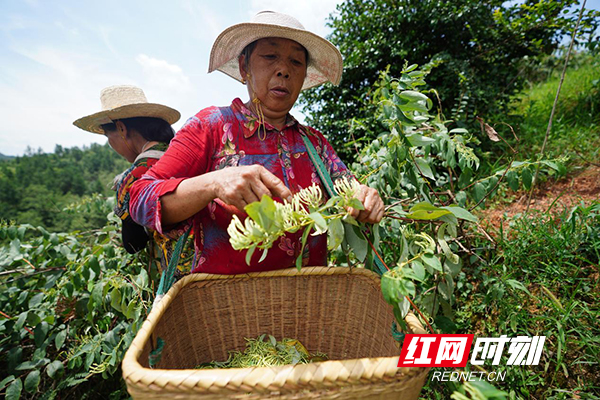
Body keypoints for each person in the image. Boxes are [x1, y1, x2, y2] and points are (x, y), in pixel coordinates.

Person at [129, 11, 385, 275]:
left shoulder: (314, 143)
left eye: (296, 62)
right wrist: (213, 183)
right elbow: (140, 199)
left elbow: (349, 190)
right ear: (244, 67)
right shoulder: (211, 126)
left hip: (310, 302)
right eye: (270, 56)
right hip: (228, 304)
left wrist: (364, 199)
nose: (284, 70)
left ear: (303, 76)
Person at [73, 86, 193, 275]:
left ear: (121, 128)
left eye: (107, 136)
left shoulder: (134, 178)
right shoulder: (190, 153)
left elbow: (133, 244)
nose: (110, 144)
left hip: (177, 279)